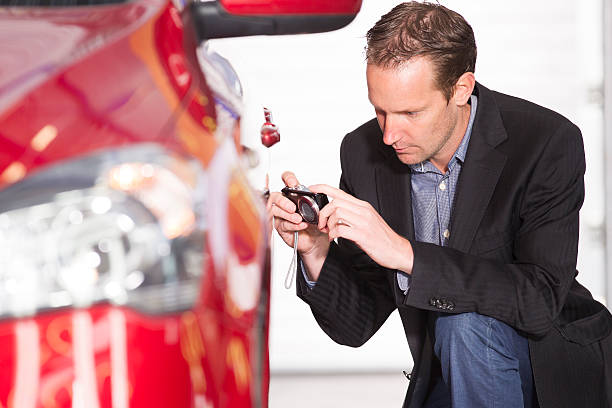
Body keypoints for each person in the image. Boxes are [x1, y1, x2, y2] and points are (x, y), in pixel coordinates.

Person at [267, 2, 612, 407]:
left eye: (411, 112)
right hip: (448, 373)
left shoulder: (546, 142)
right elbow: (355, 323)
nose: (389, 134)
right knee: (458, 334)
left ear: (461, 89)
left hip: (551, 367)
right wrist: (316, 249)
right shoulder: (362, 153)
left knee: (464, 325)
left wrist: (405, 254)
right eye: (380, 110)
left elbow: (538, 302)